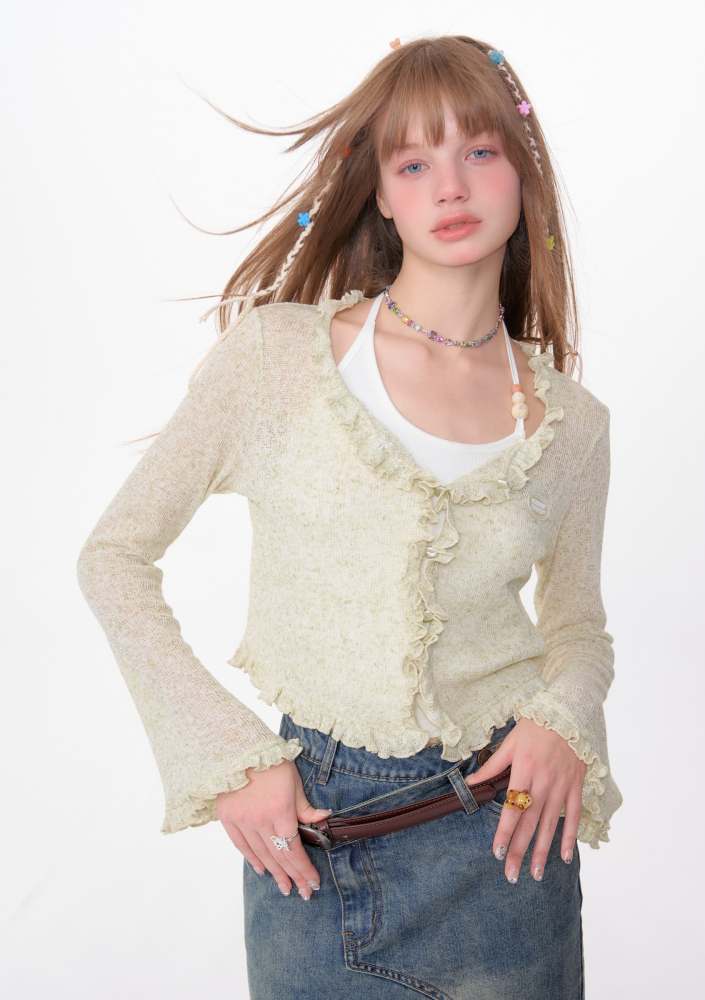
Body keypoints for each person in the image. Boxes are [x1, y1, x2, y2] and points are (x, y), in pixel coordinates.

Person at [77, 33, 622, 998]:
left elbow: (577, 626)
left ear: (522, 173)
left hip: (511, 856)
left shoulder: (573, 423)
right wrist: (228, 757)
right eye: (413, 163)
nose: (450, 186)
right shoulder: (275, 361)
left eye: (479, 151)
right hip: (317, 850)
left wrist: (562, 720)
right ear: (381, 194)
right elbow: (113, 558)